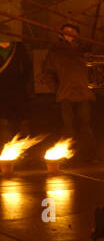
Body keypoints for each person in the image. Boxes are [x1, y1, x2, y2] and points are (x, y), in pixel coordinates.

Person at [41, 22, 96, 160]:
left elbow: (94, 70)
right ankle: (70, 156)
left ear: (77, 34)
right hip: (65, 94)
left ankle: (87, 155)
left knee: (85, 126)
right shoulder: (55, 52)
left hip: (83, 93)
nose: (69, 33)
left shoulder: (84, 51)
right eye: (66, 30)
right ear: (61, 34)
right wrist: (57, 89)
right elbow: (48, 73)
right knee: (68, 127)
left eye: (72, 31)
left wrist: (91, 85)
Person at [0, 37, 33, 138]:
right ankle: (4, 136)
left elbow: (27, 65)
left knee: (22, 109)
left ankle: (24, 137)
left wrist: (23, 80)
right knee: (2, 111)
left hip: (17, 84)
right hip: (1, 86)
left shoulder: (18, 47)